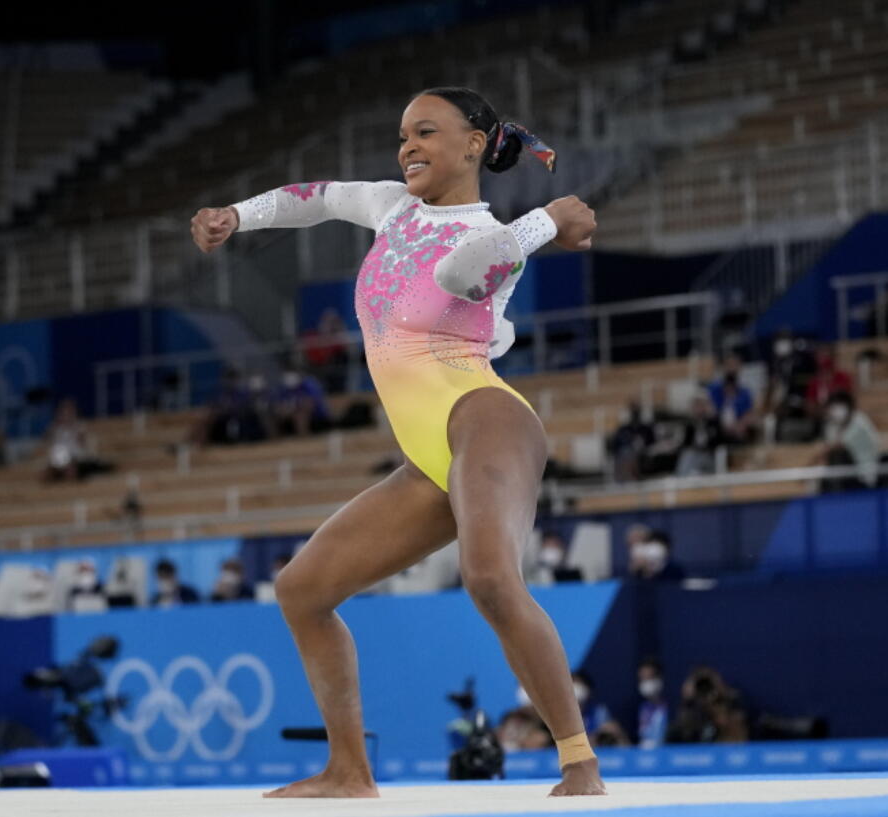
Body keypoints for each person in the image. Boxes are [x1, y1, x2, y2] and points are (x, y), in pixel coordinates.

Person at [190, 86, 605, 796]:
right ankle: (348, 770)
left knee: (489, 579)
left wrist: (545, 220)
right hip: (427, 457)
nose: (407, 146)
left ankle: (580, 765)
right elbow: (313, 197)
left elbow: (459, 275)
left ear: (475, 144)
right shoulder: (391, 207)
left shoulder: (489, 234)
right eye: (402, 135)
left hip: (486, 419)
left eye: (426, 132)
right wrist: (239, 216)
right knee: (302, 589)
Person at [818, 391, 880, 492]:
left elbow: (837, 446)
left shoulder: (860, 421)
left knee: (839, 455)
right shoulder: (831, 426)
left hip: (864, 474)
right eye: (832, 407)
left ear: (848, 406)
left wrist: (811, 462)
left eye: (838, 405)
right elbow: (828, 448)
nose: (834, 410)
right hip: (844, 475)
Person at [667, 666, 748, 744]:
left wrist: (719, 698)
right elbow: (683, 731)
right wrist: (688, 701)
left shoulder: (729, 702)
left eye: (707, 685)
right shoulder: (692, 710)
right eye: (701, 686)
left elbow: (735, 733)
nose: (704, 689)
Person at [300, 308, 354, 394]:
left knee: (340, 360)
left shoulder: (338, 338)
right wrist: (325, 333)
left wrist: (341, 330)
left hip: (335, 372)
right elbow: (303, 348)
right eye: (328, 321)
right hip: (317, 369)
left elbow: (351, 349)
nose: (331, 325)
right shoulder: (313, 336)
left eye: (333, 322)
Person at [273, 363, 333, 436]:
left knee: (301, 414)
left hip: (318, 419)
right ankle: (276, 441)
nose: (289, 378)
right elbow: (278, 408)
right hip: (291, 420)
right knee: (274, 416)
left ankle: (304, 438)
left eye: (291, 375)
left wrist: (291, 408)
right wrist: (286, 410)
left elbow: (310, 405)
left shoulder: (309, 384)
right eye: (286, 375)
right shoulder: (283, 388)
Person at [707, 358, 755, 445]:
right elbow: (710, 408)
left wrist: (739, 425)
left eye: (734, 365)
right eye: (729, 365)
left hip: (737, 427)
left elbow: (749, 413)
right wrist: (722, 424)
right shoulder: (715, 389)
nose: (732, 368)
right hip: (719, 426)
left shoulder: (744, 392)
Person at [675, 392, 723, 477]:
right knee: (687, 455)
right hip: (694, 454)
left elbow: (719, 439)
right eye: (696, 406)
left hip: (709, 453)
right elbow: (685, 443)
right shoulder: (689, 424)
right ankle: (681, 479)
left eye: (701, 406)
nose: (698, 409)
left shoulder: (713, 422)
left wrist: (710, 417)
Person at [610, 403, 656, 482]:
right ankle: (627, 478)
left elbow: (652, 443)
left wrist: (643, 446)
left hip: (643, 454)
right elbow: (615, 447)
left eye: (636, 412)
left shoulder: (646, 428)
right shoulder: (623, 429)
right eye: (633, 412)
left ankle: (636, 476)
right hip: (625, 456)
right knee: (626, 453)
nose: (635, 415)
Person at [637, 658, 668, 749]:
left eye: (649, 678)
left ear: (659, 679)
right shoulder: (642, 708)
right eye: (642, 679)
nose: (645, 683)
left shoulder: (670, 707)